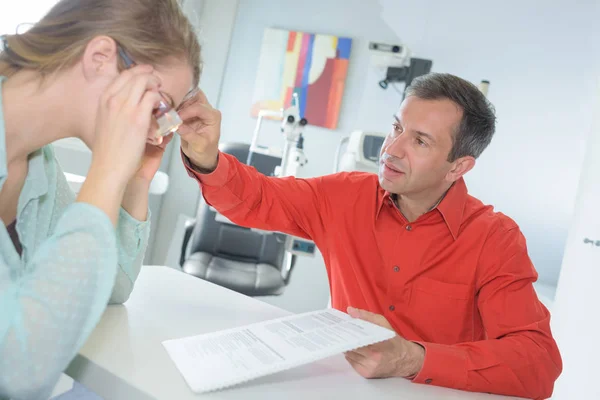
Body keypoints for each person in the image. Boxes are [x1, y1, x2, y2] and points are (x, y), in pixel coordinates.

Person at [177, 73, 562, 399]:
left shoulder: (495, 239)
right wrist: (207, 156)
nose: (391, 149)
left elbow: (537, 363)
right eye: (396, 127)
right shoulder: (344, 196)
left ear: (458, 167)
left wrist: (412, 358)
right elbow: (257, 199)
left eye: (420, 141)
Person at [0, 0, 200, 398]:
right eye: (158, 106)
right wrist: (107, 172)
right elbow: (16, 369)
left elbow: (108, 290)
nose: (158, 130)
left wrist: (133, 181)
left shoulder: (38, 167)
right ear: (101, 58)